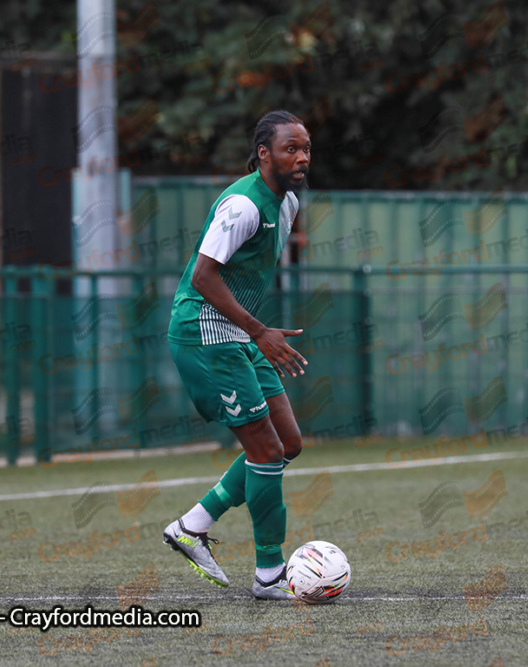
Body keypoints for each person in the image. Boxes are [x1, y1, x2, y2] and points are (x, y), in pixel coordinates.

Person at [163, 110, 311, 599]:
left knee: (287, 443)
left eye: (306, 148)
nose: (302, 157)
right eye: (291, 148)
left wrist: (253, 332)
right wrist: (260, 331)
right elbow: (204, 278)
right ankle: (270, 574)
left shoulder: (286, 203)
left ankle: (193, 524)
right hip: (204, 332)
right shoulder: (242, 205)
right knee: (264, 451)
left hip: (237, 333)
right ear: (264, 152)